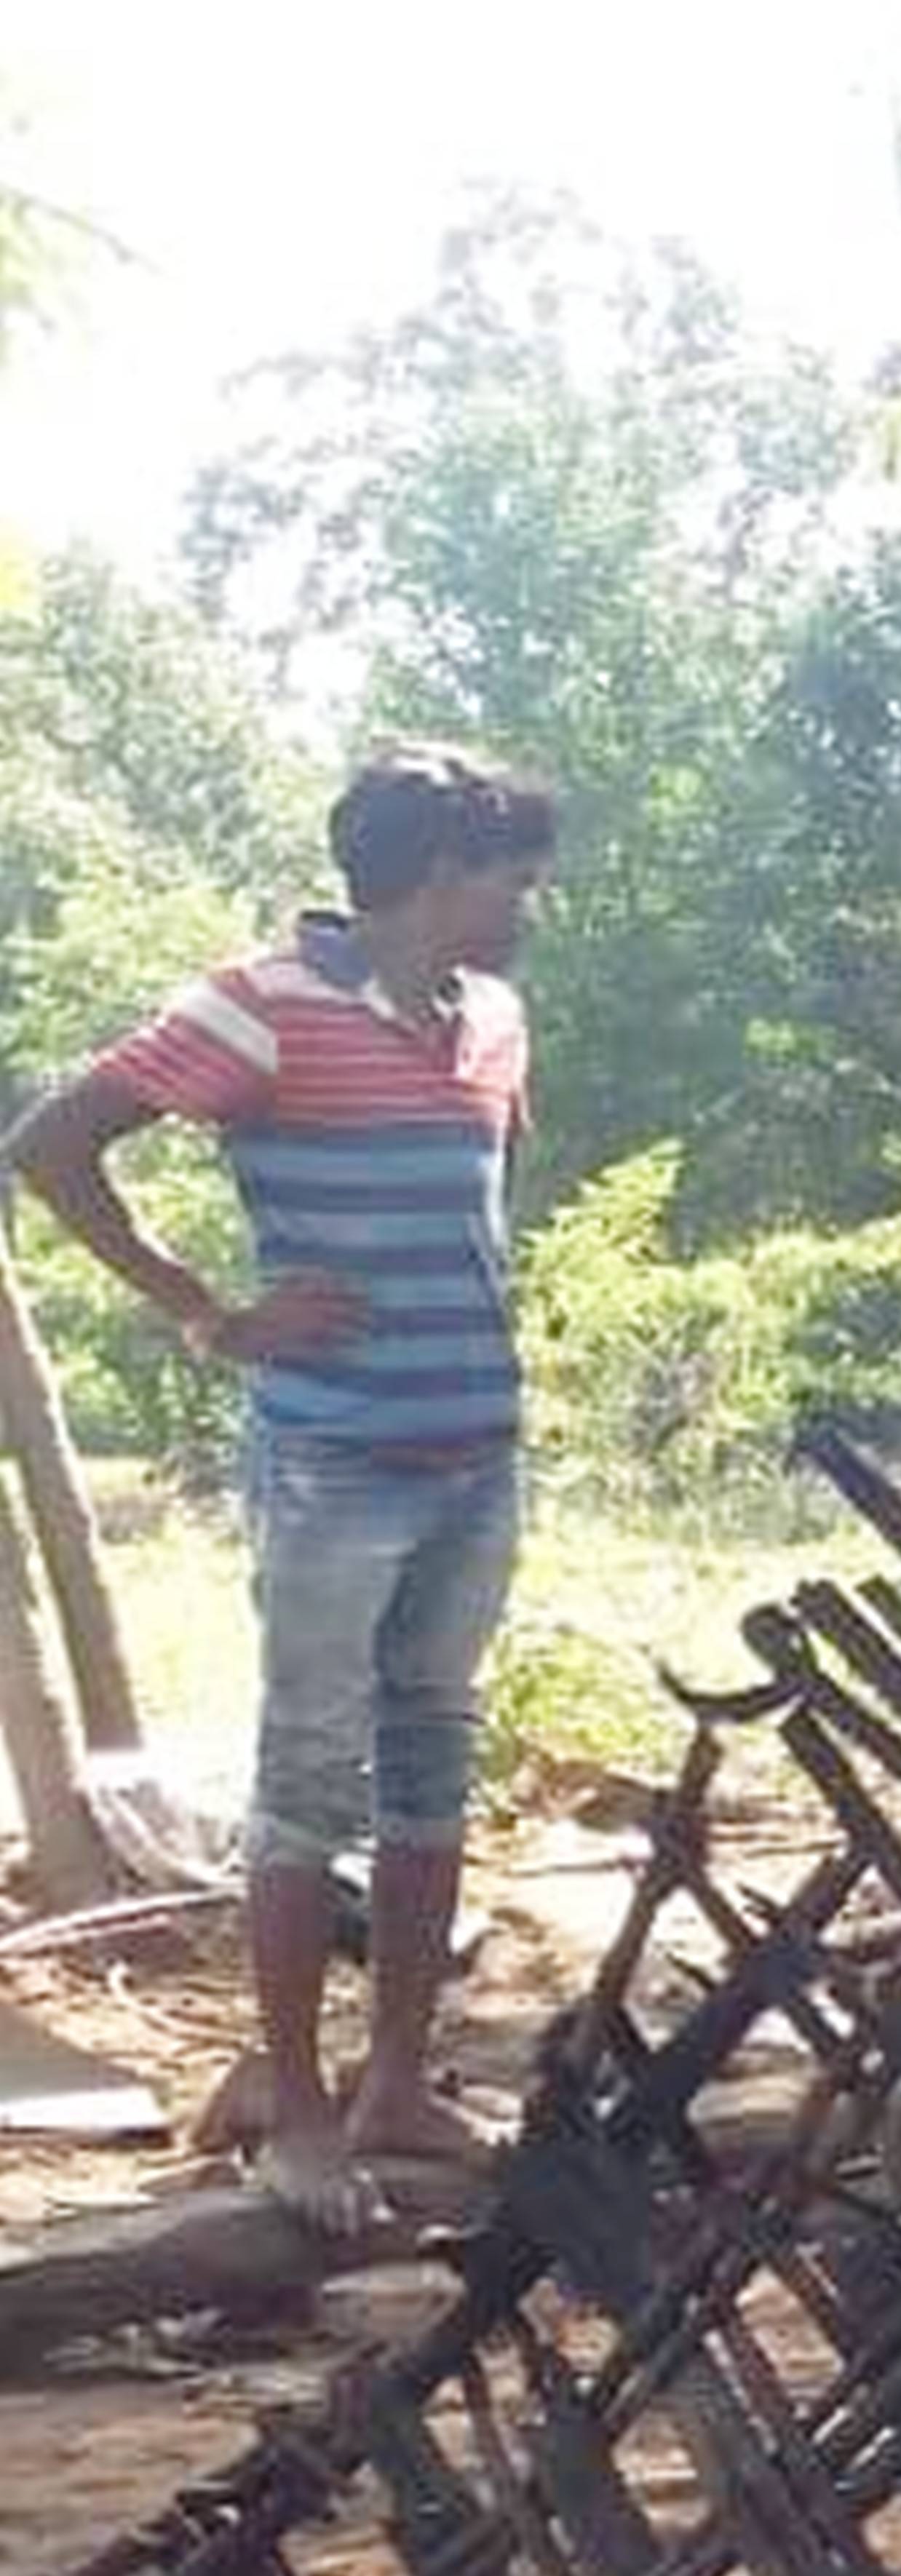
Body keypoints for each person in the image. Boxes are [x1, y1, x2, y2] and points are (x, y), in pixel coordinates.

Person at [8, 744, 553, 2210]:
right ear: (441, 871)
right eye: (515, 874)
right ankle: (299, 2109)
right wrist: (206, 1309)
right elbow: (50, 1145)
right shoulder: (256, 1006)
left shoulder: (490, 1017)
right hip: (332, 1457)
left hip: (473, 1452)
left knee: (436, 1750)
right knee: (310, 1772)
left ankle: (397, 2081)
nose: (531, 904)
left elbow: (487, 1209)